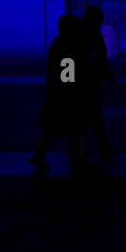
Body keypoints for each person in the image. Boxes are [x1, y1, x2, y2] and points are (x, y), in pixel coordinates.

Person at [30, 14, 89, 174]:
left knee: (54, 127)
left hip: (58, 92)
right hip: (69, 93)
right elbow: (75, 71)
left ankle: (40, 154)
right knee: (75, 126)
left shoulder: (56, 44)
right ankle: (77, 158)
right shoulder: (73, 45)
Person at [79, 5, 117, 163]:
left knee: (87, 119)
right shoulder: (93, 35)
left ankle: (83, 149)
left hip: (86, 82)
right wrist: (107, 75)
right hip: (90, 83)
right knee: (95, 119)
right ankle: (103, 150)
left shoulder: (85, 34)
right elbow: (100, 58)